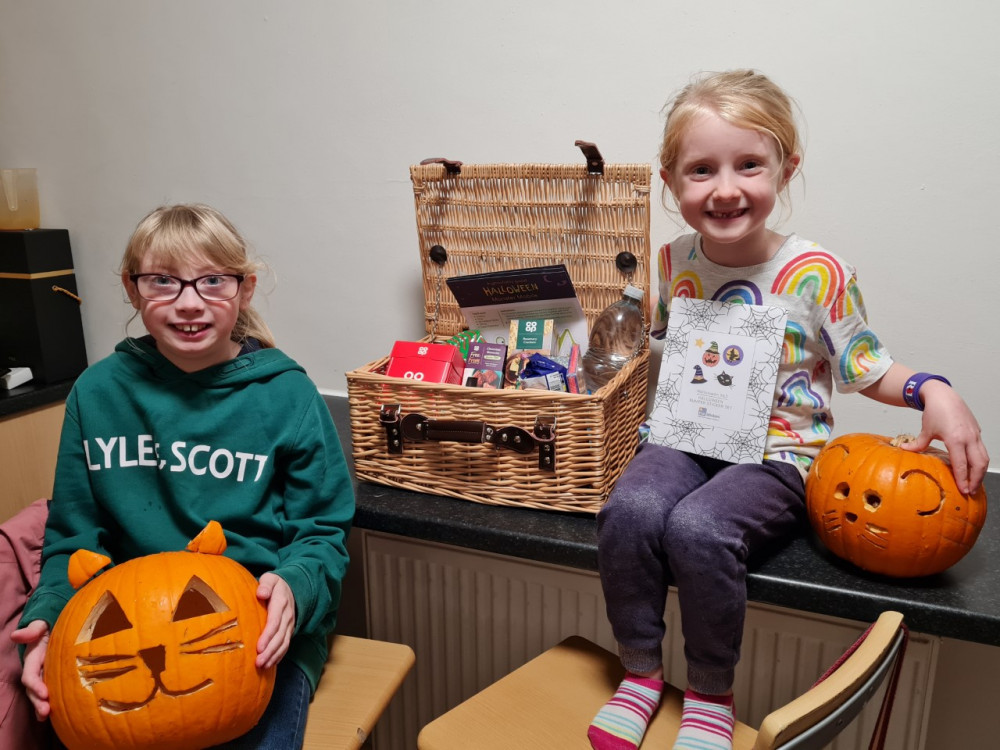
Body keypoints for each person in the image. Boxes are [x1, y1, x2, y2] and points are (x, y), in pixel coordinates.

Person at [587, 70, 988, 750]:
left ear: (786, 167)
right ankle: (642, 673)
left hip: (777, 455)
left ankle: (710, 693)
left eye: (749, 164)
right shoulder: (670, 259)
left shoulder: (818, 273)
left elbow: (867, 367)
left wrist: (936, 392)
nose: (725, 188)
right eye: (701, 169)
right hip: (685, 435)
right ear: (670, 179)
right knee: (629, 509)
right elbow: (653, 341)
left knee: (700, 527)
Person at [11, 204, 355, 749]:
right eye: (163, 281)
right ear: (132, 290)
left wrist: (296, 584)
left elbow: (321, 534)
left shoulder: (287, 394)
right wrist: (49, 618)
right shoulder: (97, 393)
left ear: (244, 289)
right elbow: (71, 539)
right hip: (121, 628)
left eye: (212, 280)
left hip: (249, 633)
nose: (189, 302)